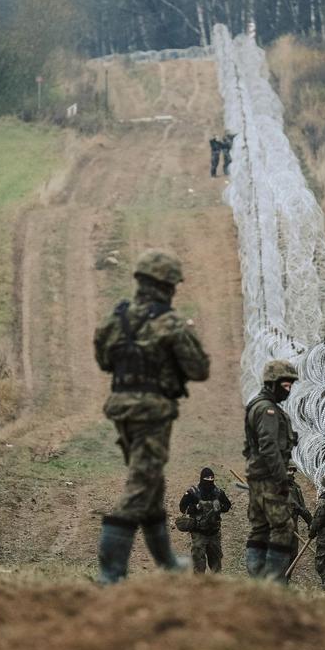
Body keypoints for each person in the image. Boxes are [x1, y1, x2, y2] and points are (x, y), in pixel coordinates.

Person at [93, 249, 211, 584]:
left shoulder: (116, 318)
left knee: (152, 483)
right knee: (141, 486)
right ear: (168, 285)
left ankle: (166, 561)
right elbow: (198, 369)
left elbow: (104, 360)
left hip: (121, 410)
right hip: (153, 413)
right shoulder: (171, 323)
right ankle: (110, 571)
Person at [242, 359, 300, 582]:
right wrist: (281, 479)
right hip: (268, 478)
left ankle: (257, 579)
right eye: (285, 386)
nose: (288, 390)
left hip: (258, 476)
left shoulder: (257, 405)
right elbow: (268, 446)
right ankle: (273, 581)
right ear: (272, 384)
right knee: (283, 526)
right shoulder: (268, 410)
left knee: (260, 528)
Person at [178, 467, 232, 573]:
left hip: (214, 534)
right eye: (207, 479)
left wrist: (219, 506)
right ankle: (199, 587)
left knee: (216, 564)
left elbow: (227, 505)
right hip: (199, 533)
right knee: (198, 565)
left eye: (212, 479)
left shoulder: (218, 492)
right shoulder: (192, 493)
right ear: (202, 479)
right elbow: (182, 507)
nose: (210, 481)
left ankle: (216, 586)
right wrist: (195, 507)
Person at [286, 462, 312, 572]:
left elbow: (301, 508)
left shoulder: (296, 488)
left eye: (292, 470)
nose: (290, 472)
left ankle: (284, 582)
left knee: (292, 555)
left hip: (292, 525)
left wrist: (310, 522)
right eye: (288, 470)